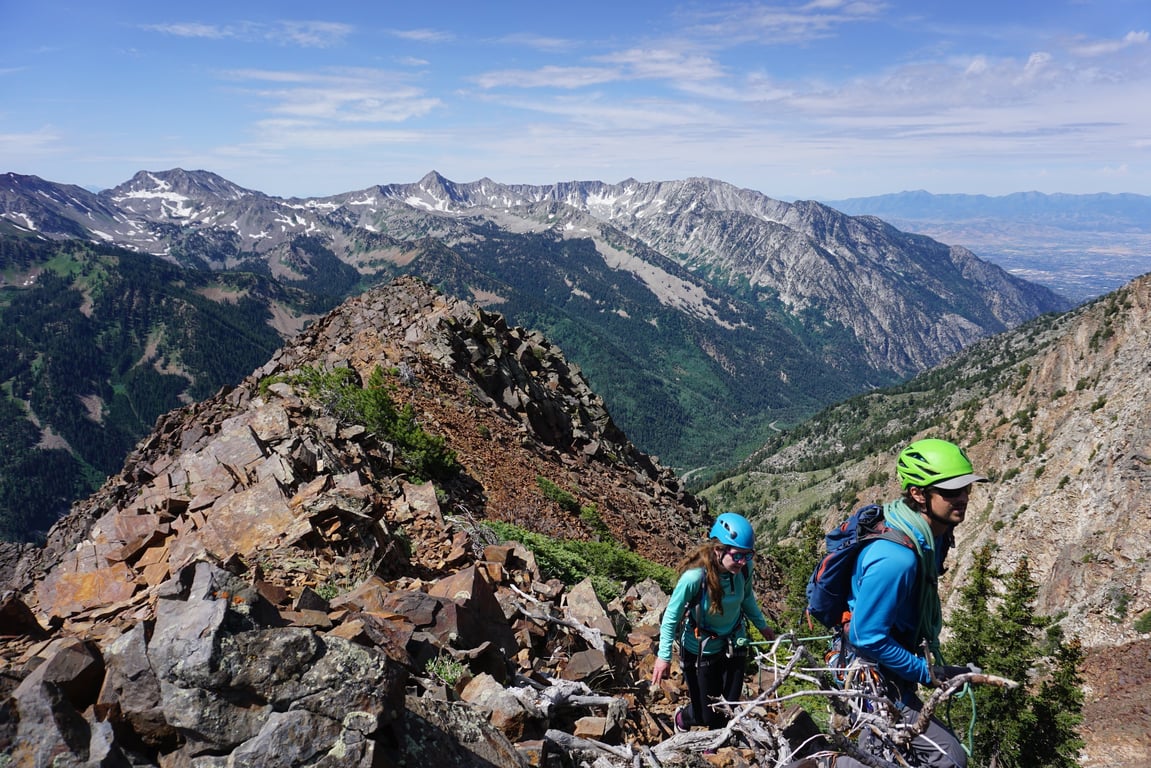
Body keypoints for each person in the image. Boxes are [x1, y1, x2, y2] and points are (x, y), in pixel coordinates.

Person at [836, 438, 987, 768]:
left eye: (966, 489)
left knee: (893, 753)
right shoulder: (897, 558)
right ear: (919, 494)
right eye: (950, 491)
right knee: (947, 759)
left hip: (886, 670)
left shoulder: (930, 535)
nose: (962, 497)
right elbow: (866, 636)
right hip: (870, 673)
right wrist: (928, 672)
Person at [651, 512, 775, 732]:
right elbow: (672, 616)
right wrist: (664, 656)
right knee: (705, 713)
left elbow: (746, 599)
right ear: (719, 550)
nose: (742, 561)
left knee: (730, 704)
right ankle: (683, 718)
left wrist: (762, 625)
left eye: (748, 555)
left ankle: (714, 746)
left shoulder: (745, 570)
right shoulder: (695, 578)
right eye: (737, 555)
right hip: (700, 648)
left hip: (735, 640)